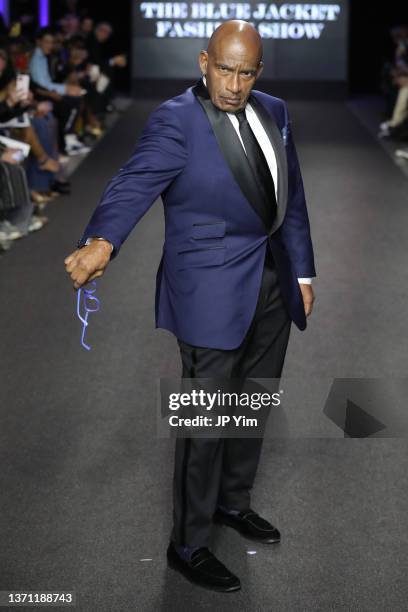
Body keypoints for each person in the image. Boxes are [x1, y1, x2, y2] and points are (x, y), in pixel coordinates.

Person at [64, 20, 316, 593]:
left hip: (273, 284)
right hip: (208, 288)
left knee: (253, 402)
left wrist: (302, 269)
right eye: (224, 68)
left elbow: (290, 195)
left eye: (245, 71)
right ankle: (189, 543)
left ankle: (233, 502)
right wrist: (102, 240)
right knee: (204, 419)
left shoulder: (273, 110)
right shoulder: (176, 119)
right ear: (204, 62)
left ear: (259, 71)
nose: (233, 83)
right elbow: (133, 181)